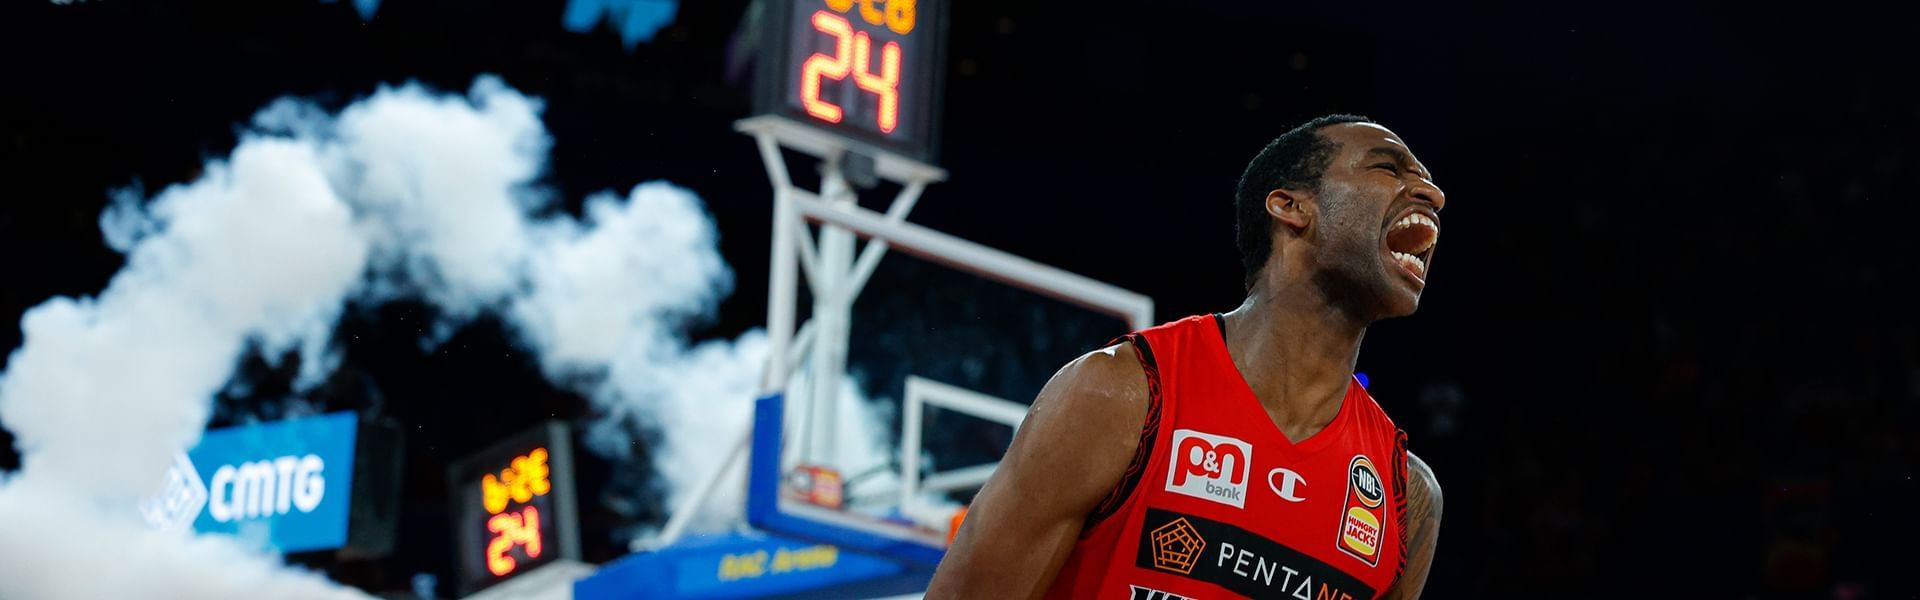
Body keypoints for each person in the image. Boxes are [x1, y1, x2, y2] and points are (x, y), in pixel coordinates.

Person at [926, 115, 1446, 599]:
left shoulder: (1406, 497)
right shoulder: (1123, 395)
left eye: (1424, 177)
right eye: (1386, 166)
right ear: (1290, 207)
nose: (1432, 193)